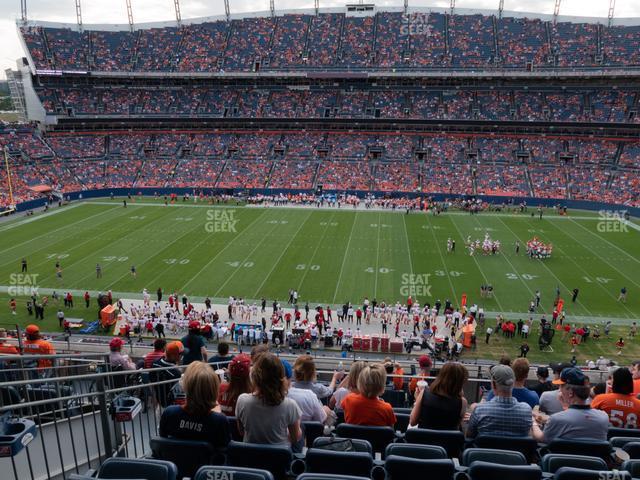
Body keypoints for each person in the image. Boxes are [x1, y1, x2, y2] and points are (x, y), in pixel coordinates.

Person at [159, 361, 230, 451]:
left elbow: (162, 443)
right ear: (213, 389)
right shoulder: (219, 421)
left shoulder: (169, 414)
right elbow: (225, 451)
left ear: (186, 386)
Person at [235, 353, 302, 447]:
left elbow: (241, 432)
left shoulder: (242, 400)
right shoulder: (290, 405)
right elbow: (295, 438)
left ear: (254, 377)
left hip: (249, 458)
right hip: (279, 459)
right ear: (281, 378)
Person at [532, 367, 609, 443]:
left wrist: (533, 422)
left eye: (561, 386)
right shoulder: (603, 417)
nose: (560, 390)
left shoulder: (556, 419)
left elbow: (541, 438)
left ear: (571, 393)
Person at [466, 364, 532, 439]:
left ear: (493, 384)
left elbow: (469, 436)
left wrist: (474, 419)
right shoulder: (526, 410)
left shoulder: (480, 410)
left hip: (486, 450)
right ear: (513, 383)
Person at [410, 362, 468, 430]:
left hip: (423, 439)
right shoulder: (462, 403)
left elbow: (412, 422)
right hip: (448, 440)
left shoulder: (424, 394)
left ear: (441, 376)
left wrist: (417, 400)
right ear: (461, 382)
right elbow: (457, 426)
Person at [285, 359, 333, 427]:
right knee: (326, 409)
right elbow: (321, 420)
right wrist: (334, 377)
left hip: (294, 429)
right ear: (313, 373)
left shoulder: (287, 391)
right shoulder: (314, 392)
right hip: (310, 430)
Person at [152, 341, 184, 406]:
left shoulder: (155, 363)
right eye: (181, 354)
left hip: (159, 401)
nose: (182, 356)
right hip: (170, 405)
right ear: (174, 356)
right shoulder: (175, 373)